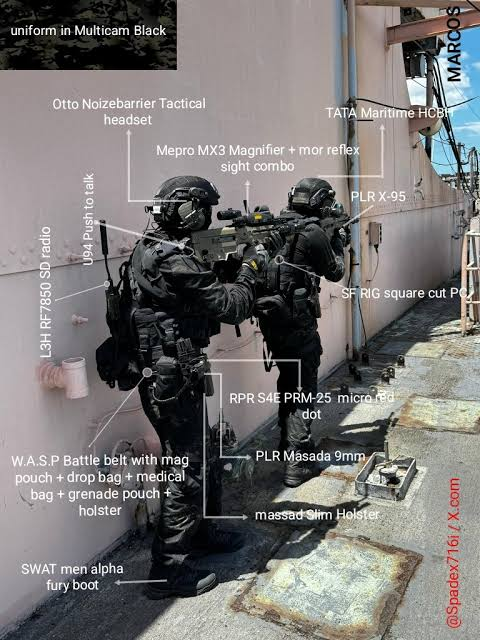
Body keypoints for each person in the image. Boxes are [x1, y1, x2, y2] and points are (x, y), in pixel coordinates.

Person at [122, 176, 266, 599]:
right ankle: (165, 570)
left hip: (172, 372)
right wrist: (251, 266)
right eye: (204, 210)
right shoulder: (173, 258)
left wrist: (229, 256)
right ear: (188, 211)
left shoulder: (158, 247)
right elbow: (232, 306)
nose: (207, 218)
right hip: (171, 377)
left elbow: (191, 290)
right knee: (185, 468)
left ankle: (200, 534)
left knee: (199, 456)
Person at [255, 178, 346, 488]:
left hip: (273, 323)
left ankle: (286, 444)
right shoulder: (313, 233)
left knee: (288, 381)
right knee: (303, 390)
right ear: (321, 203)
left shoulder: (277, 226)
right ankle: (298, 462)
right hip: (298, 326)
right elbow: (335, 272)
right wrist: (338, 241)